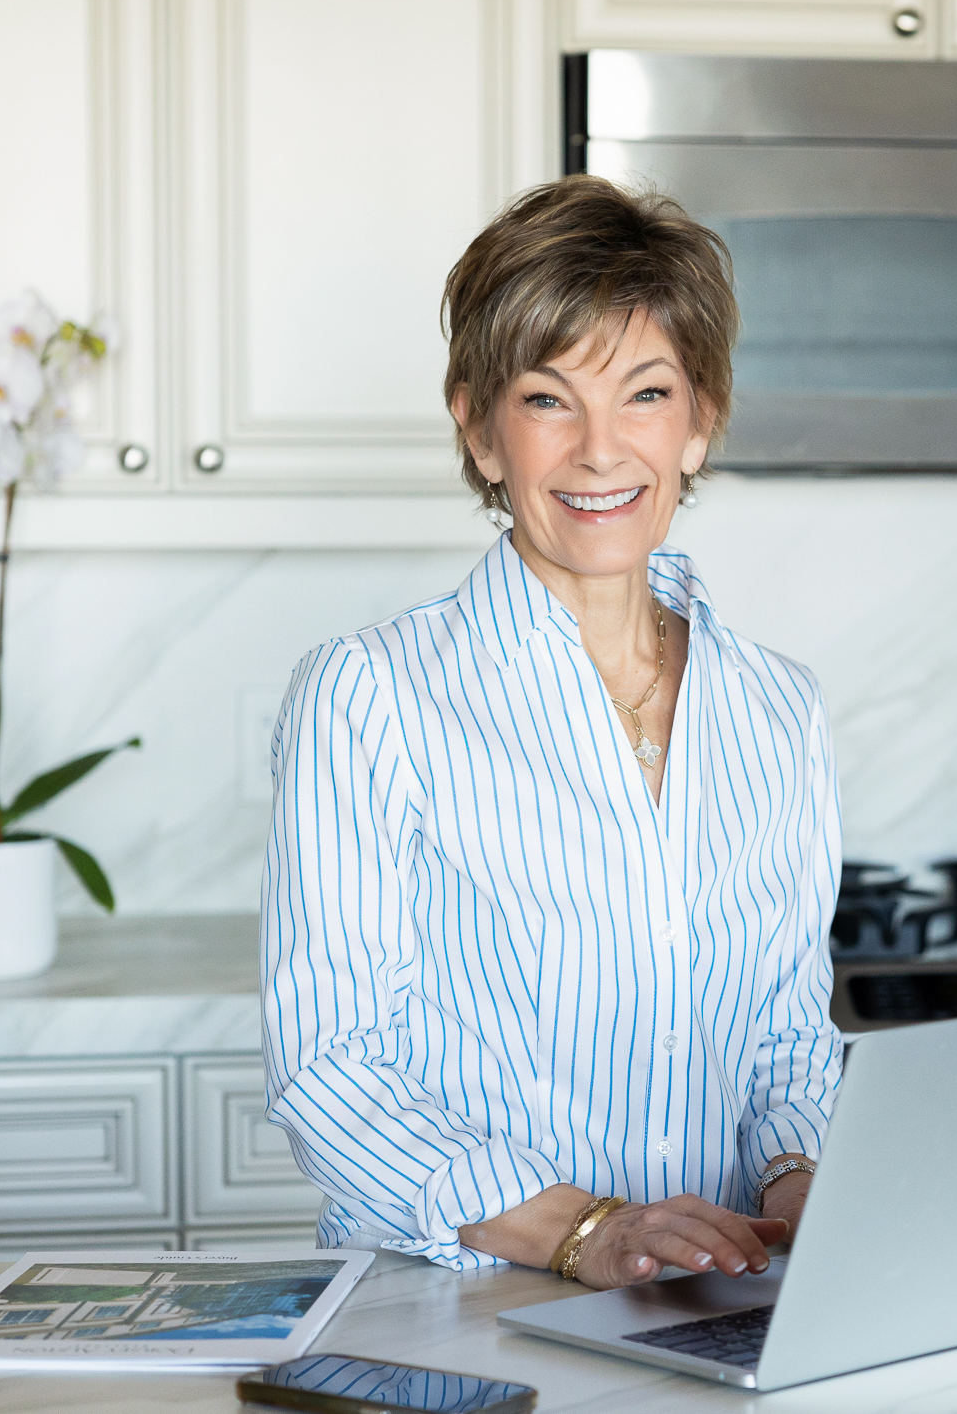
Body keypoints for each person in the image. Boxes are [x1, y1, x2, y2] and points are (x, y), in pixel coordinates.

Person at [260, 176, 842, 1289]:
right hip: (460, 1312)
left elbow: (786, 1033)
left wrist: (805, 1184)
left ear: (700, 423)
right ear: (481, 432)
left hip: (716, 1304)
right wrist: (587, 1231)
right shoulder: (369, 695)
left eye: (646, 394)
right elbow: (333, 1071)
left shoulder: (779, 709)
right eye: (546, 399)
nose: (600, 450)